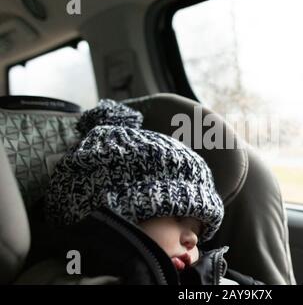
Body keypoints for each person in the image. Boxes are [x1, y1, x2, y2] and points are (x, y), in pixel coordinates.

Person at [36, 99, 264, 285]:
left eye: (198, 228)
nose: (193, 238)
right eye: (178, 217)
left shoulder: (207, 273)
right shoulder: (66, 273)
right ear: (118, 213)